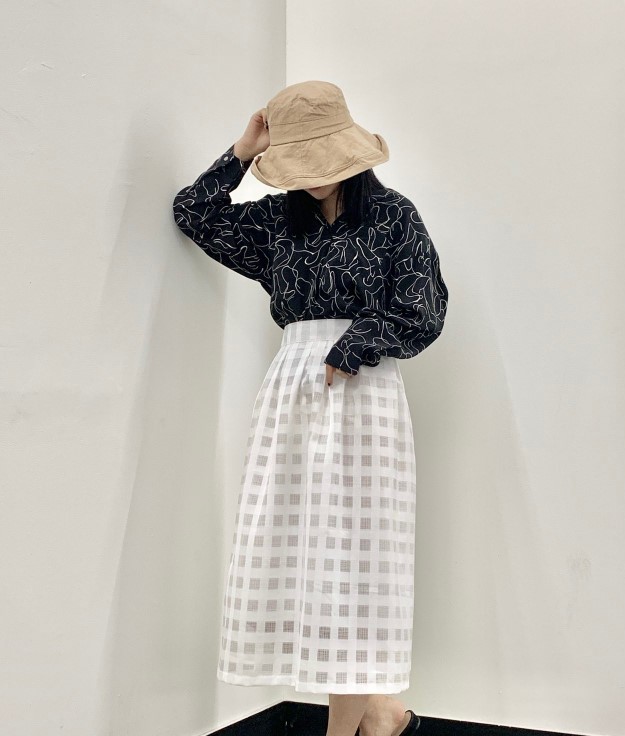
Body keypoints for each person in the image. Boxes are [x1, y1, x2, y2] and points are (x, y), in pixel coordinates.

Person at [172, 80, 448, 736]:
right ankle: (383, 716)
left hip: (363, 393)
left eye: (325, 158)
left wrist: (354, 346)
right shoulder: (277, 222)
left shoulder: (393, 217)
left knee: (353, 558)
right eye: (302, 161)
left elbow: (424, 308)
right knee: (308, 557)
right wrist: (243, 153)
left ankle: (351, 727)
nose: (316, 175)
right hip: (292, 392)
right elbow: (194, 213)